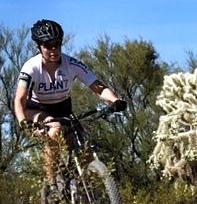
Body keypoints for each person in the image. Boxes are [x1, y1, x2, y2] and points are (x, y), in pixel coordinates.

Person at [13, 19, 126, 183]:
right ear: (39, 47)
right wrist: (23, 121)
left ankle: (88, 197)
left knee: (85, 149)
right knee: (55, 129)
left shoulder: (71, 64)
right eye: (48, 45)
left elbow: (97, 86)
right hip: (35, 109)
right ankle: (52, 185)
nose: (53, 49)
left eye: (57, 44)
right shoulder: (31, 67)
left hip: (63, 108)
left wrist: (115, 100)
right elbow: (20, 98)